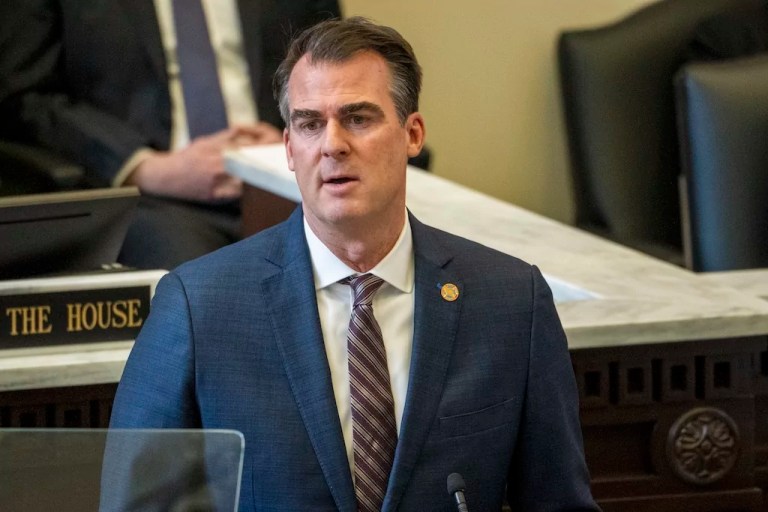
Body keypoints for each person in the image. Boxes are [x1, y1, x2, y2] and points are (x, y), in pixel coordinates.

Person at [109, 17, 599, 511]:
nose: (333, 144)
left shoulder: (511, 301)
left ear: (412, 134)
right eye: (309, 124)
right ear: (289, 149)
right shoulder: (200, 306)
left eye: (358, 118)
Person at [0, 0, 341, 270]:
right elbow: (28, 96)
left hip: (287, 179)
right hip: (150, 195)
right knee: (203, 285)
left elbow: (332, 66)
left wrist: (298, 135)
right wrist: (144, 167)